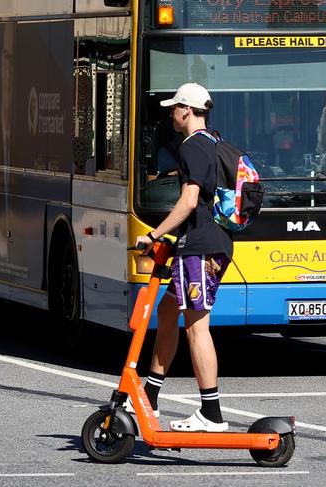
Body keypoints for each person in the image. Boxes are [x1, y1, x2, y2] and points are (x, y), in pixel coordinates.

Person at [135, 83, 233, 432]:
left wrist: (155, 234)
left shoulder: (192, 147)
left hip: (200, 248)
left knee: (196, 326)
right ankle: (151, 395)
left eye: (174, 107)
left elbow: (190, 201)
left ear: (187, 111)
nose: (171, 113)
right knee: (167, 310)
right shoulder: (214, 142)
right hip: (206, 243)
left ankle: (211, 412)